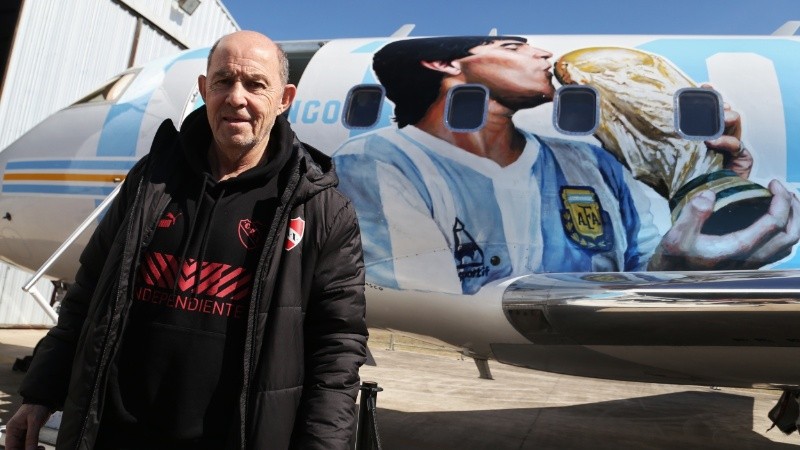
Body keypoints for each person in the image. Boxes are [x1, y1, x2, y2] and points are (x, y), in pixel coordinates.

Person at [6, 31, 367, 449]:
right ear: (203, 89)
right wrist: (40, 393)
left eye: (255, 84)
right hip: (115, 436)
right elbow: (88, 295)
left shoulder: (321, 209)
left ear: (284, 99)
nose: (236, 98)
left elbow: (336, 350)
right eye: (223, 81)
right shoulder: (151, 181)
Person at [332, 36, 800, 295]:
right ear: (442, 64)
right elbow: (432, 301)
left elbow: (639, 269)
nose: (543, 53)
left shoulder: (589, 162)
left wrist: (702, 208)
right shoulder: (376, 162)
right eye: (513, 47)